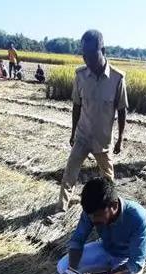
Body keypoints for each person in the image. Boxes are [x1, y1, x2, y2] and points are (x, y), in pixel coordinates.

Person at [51, 29, 128, 221]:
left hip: (103, 140)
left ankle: (110, 211)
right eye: (84, 55)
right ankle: (61, 208)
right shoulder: (80, 76)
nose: (87, 60)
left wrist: (120, 138)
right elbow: (76, 106)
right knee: (70, 172)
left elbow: (122, 110)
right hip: (83, 135)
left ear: (103, 51)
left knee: (108, 178)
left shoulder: (117, 78)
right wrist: (73, 132)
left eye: (91, 55)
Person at [57, 178, 146, 274]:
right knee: (63, 267)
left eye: (97, 215)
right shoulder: (92, 210)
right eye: (90, 215)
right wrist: (72, 272)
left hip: (126, 259)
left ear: (114, 206)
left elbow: (135, 264)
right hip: (105, 248)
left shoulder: (138, 217)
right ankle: (103, 273)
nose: (92, 219)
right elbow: (77, 240)